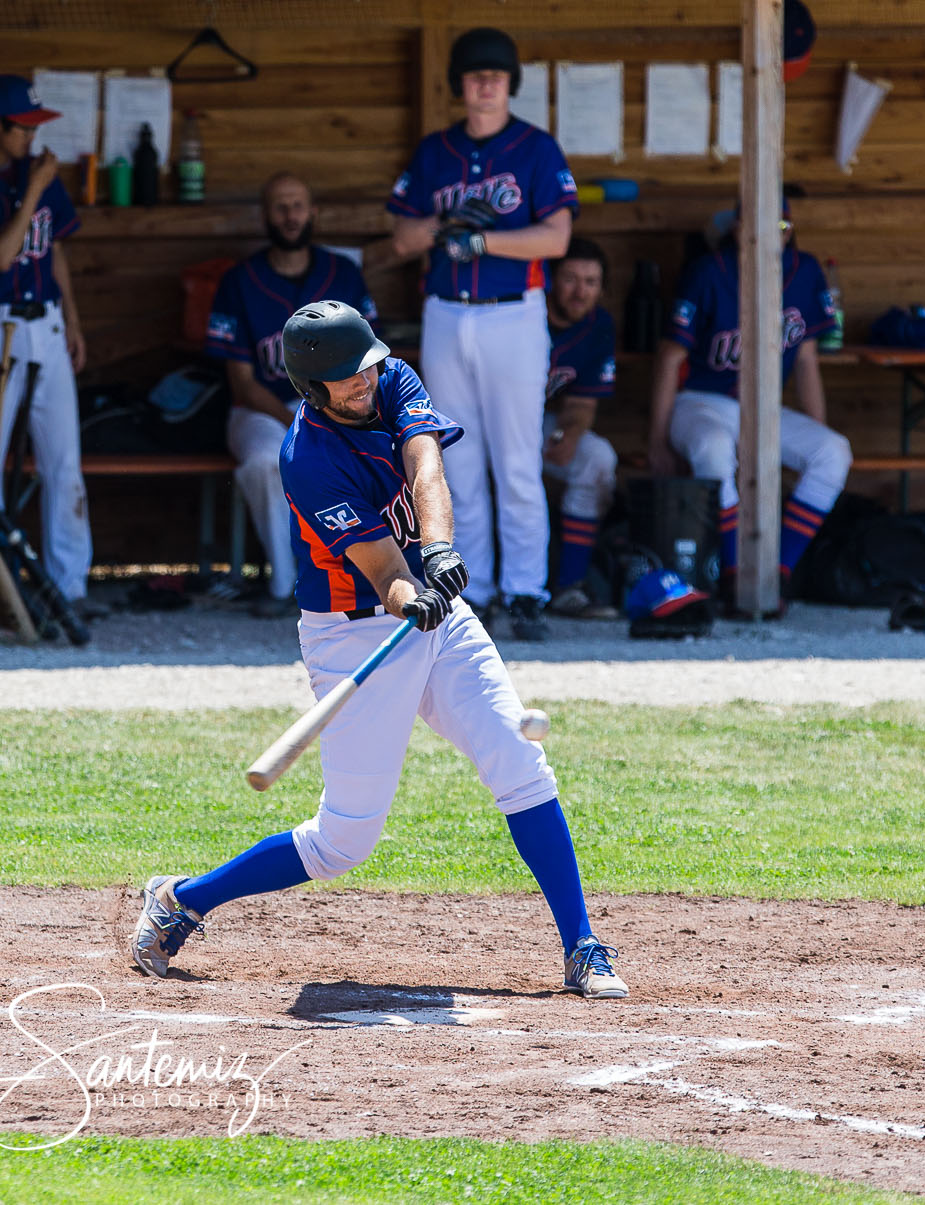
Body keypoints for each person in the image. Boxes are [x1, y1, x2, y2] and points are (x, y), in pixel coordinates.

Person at [128, 302, 626, 1000]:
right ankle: (184, 898)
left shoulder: (389, 377)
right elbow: (382, 569)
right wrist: (409, 593)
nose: (363, 382)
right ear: (312, 387)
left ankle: (581, 944)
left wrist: (440, 548)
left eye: (365, 367)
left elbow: (426, 467)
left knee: (518, 759)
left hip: (439, 614)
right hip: (352, 631)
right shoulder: (307, 457)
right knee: (342, 842)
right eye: (345, 377)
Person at [385, 27, 578, 643]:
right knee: (454, 460)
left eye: (496, 75)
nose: (486, 84)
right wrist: (445, 223)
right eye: (475, 76)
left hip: (512, 311)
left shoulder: (536, 148)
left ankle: (525, 592)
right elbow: (401, 237)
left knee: (517, 459)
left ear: (510, 84)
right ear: (460, 86)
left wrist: (482, 240)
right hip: (447, 311)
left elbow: (556, 238)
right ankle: (474, 589)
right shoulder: (435, 151)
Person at [648, 205, 849, 611]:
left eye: (779, 225)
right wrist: (656, 440)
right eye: (755, 224)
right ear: (737, 229)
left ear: (790, 231)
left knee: (832, 451)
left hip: (764, 408)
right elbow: (670, 358)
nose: (768, 234)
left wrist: (813, 434)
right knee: (714, 445)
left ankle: (778, 571)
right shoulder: (709, 270)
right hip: (701, 400)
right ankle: (735, 569)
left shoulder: (804, 270)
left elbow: (807, 360)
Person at [206, 172, 381, 619]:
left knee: (379, 454)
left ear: (313, 212)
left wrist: (332, 416)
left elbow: (368, 362)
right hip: (262, 409)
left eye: (298, 205)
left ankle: (375, 579)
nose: (290, 216)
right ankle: (289, 585)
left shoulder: (343, 273)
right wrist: (302, 426)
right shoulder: (239, 281)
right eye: (281, 207)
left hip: (336, 404)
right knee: (267, 460)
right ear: (266, 215)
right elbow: (242, 383)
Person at [0, 73, 98, 623]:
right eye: (21, 128)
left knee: (64, 461)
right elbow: (0, 258)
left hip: (47, 322)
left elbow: (52, 250)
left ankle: (69, 585)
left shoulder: (39, 175)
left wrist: (73, 321)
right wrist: (32, 189)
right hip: (1, 324)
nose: (31, 137)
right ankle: (0, 585)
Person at [541, 238, 619, 617]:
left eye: (591, 281)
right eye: (570, 278)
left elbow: (582, 403)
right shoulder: (526, 312)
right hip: (486, 424)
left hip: (539, 423)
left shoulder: (598, 324)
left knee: (597, 457)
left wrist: (568, 434)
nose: (580, 291)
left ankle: (569, 587)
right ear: (551, 279)